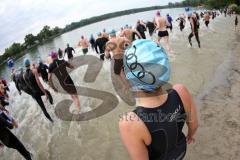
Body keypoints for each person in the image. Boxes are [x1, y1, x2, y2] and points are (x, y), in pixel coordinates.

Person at [119, 39, 198, 160]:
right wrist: (190, 136)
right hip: (181, 151)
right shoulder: (180, 91)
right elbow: (194, 125)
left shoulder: (130, 122)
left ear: (129, 77)